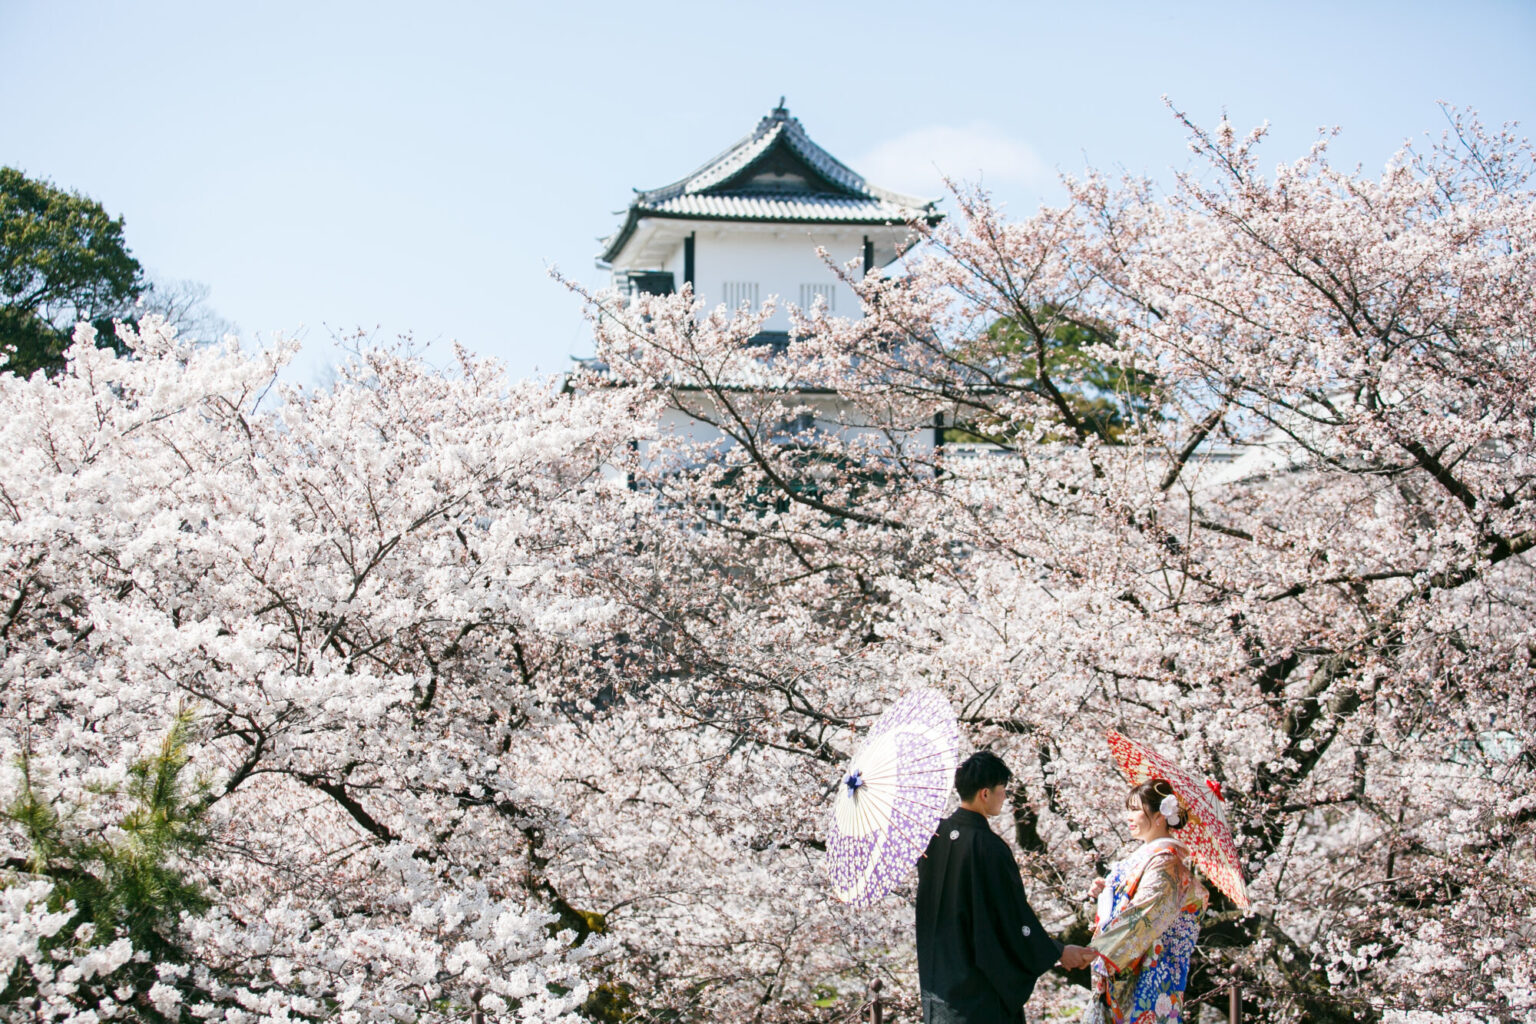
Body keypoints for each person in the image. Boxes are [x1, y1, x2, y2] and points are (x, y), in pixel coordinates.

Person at [916, 750, 1094, 1023]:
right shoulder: (988, 846)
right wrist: (1057, 952)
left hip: (940, 988)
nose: (1005, 797)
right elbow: (1011, 919)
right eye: (1002, 790)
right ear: (985, 794)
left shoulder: (931, 838)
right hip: (979, 994)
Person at [1082, 779, 1209, 1024]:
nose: (1128, 817)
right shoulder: (1149, 858)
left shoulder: (1166, 863)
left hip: (1148, 971)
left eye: (1136, 810)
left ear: (1160, 815)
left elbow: (1145, 914)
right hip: (1128, 968)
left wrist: (1099, 951)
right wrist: (1106, 893)